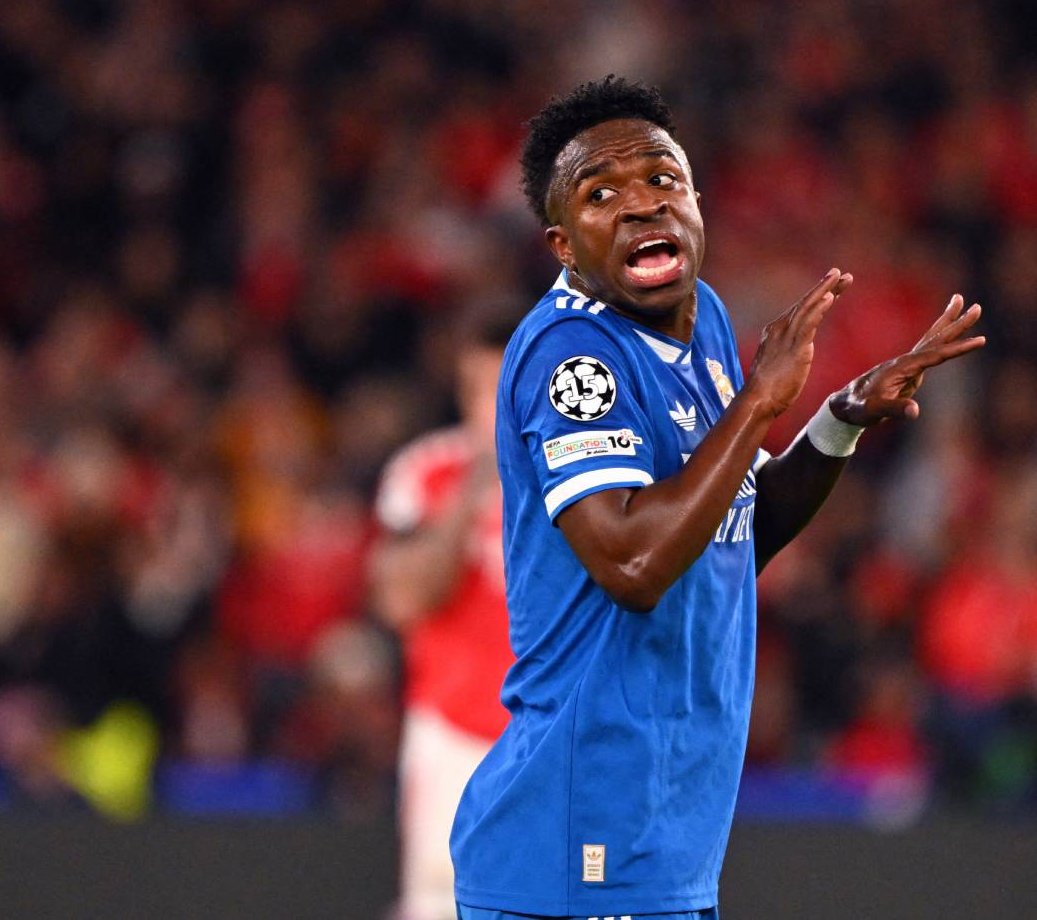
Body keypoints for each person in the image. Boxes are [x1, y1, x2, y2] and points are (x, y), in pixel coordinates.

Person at [449, 77, 984, 920]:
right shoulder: (571, 357)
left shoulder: (701, 328)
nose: (641, 206)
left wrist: (838, 419)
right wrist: (759, 403)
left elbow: (736, 527)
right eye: (602, 194)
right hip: (579, 835)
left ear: (697, 201)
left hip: (665, 834)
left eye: (663, 180)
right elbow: (632, 560)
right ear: (563, 244)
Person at [370, 306, 521, 920]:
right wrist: (480, 480)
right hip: (452, 737)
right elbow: (402, 597)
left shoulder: (586, 473)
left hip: (552, 738)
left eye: (501, 387)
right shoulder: (425, 472)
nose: (487, 407)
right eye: (474, 389)